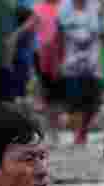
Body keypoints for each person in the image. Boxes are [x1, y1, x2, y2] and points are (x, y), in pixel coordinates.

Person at [56, 0, 104, 145]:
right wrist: (56, 59)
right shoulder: (64, 8)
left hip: (93, 64)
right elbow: (58, 36)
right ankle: (78, 134)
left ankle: (82, 131)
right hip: (71, 64)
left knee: (92, 103)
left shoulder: (96, 6)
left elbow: (103, 34)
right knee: (75, 102)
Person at [32, 0, 64, 140]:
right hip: (41, 55)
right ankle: (49, 131)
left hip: (59, 55)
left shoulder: (64, 6)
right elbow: (31, 27)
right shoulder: (38, 7)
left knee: (56, 95)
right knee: (46, 94)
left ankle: (54, 131)